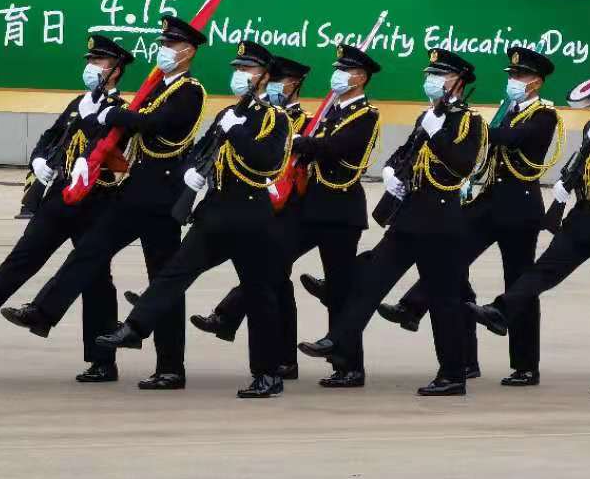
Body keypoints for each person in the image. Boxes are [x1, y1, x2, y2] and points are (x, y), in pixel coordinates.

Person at [0, 16, 207, 390]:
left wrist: (113, 113)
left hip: (163, 199)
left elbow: (157, 124)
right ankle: (44, 311)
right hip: (133, 192)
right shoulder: (156, 87)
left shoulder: (190, 91)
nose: (163, 50)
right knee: (88, 252)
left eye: (171, 45)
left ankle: (170, 367)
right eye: (162, 43)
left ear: (188, 51)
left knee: (162, 282)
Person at [97, 41, 291, 398]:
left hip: (251, 217)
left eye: (247, 69)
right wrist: (191, 171)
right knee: (174, 273)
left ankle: (267, 374)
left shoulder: (275, 118)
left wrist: (237, 131)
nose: (240, 75)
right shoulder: (227, 113)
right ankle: (135, 328)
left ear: (264, 76)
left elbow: (269, 162)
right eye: (238, 68)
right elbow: (202, 149)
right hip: (215, 213)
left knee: (259, 294)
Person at [0, 36, 135, 383]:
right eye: (90, 60)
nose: (91, 67)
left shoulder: (120, 109)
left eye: (99, 62)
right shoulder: (79, 102)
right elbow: (50, 136)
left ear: (116, 71)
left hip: (96, 200)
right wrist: (39, 159)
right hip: (61, 194)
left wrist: (95, 120)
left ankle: (102, 360)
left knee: (95, 279)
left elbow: (113, 145)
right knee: (24, 255)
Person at [298, 48, 487, 397]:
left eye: (441, 75)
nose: (432, 80)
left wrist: (438, 133)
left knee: (443, 300)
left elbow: (463, 164)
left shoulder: (469, 121)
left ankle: (452, 375)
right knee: (370, 282)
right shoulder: (427, 116)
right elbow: (407, 151)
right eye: (431, 74)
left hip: (441, 221)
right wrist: (391, 169)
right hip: (410, 216)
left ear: (459, 82)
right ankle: (337, 341)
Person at [466, 59, 590, 394]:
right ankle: (500, 310)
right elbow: (585, 165)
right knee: (541, 272)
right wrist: (567, 186)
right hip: (582, 220)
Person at [201, 46, 384, 387]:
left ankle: (348, 366)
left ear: (361, 78)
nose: (339, 75)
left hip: (341, 211)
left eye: (346, 70)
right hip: (310, 208)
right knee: (271, 264)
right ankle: (236, 322)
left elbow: (338, 148)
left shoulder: (366, 115)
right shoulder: (330, 111)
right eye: (338, 69)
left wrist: (299, 142)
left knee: (339, 290)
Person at [382, 47, 562, 387]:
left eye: (520, 75)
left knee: (518, 282)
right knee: (452, 263)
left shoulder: (544, 115)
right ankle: (439, 332)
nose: (513, 80)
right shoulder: (506, 111)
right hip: (488, 201)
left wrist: (463, 124)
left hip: (520, 208)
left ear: (536, 83)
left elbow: (512, 139)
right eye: (512, 75)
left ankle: (525, 366)